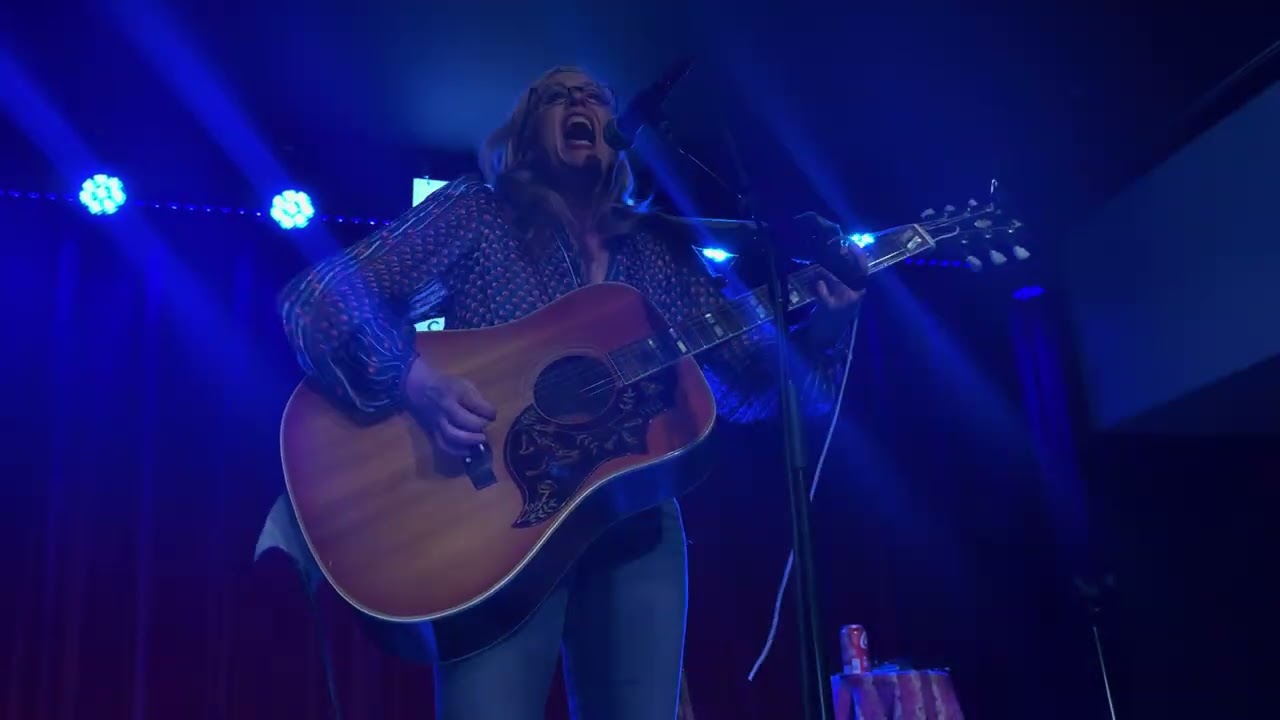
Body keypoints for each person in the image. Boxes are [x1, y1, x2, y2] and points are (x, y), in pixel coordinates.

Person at [277, 65, 864, 720]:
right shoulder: (479, 212)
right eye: (557, 96)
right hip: (491, 520)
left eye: (594, 96)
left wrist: (826, 326)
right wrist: (417, 382)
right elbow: (318, 300)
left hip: (636, 519)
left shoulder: (659, 248)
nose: (579, 101)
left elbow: (751, 391)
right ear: (527, 134)